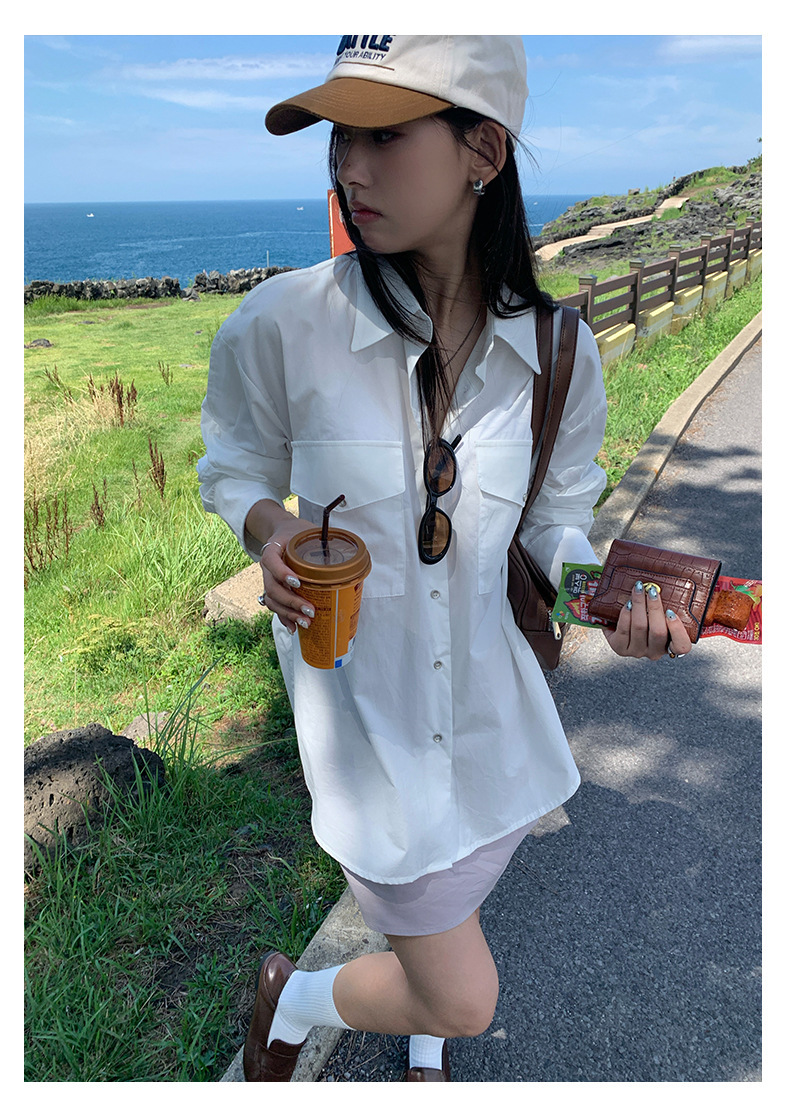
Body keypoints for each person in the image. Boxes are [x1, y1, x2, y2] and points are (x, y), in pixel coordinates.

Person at [197, 35, 693, 1083]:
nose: (349, 165)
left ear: (483, 151)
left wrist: (610, 603)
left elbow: (553, 525)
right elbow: (233, 466)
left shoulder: (558, 352)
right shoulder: (282, 324)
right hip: (368, 727)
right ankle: (300, 998)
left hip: (490, 713)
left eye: (383, 135)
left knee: (455, 901)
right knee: (466, 994)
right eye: (339, 136)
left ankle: (416, 1023)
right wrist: (269, 530)